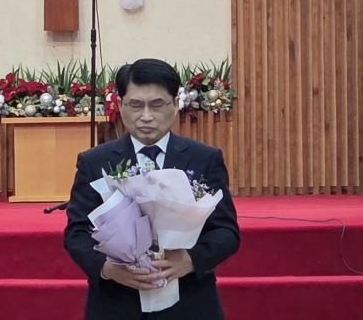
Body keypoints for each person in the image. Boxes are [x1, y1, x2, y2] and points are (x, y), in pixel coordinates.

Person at [64, 58, 240, 320]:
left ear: (175, 104)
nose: (146, 116)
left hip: (189, 302)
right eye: (136, 105)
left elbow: (226, 231)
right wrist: (107, 269)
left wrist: (189, 260)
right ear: (120, 105)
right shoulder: (95, 162)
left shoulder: (204, 159)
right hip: (117, 303)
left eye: (157, 105)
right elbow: (76, 232)